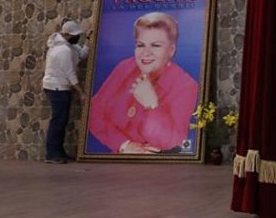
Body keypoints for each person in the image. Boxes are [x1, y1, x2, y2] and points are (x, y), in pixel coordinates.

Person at [88, 12, 199, 154]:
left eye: (156, 46)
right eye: (140, 45)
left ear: (171, 50)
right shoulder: (125, 67)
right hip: (115, 163)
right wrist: (124, 145)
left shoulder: (186, 86)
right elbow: (93, 113)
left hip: (160, 169)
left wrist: (152, 106)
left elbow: (173, 141)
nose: (146, 53)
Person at [42, 20, 89, 163]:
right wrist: (81, 93)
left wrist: (87, 40)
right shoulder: (63, 50)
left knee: (62, 120)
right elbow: (70, 74)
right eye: (75, 35)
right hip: (57, 87)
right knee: (58, 120)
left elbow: (82, 54)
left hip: (61, 86)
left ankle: (59, 152)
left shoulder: (69, 46)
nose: (77, 38)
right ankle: (52, 153)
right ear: (67, 35)